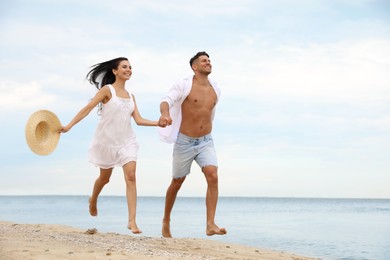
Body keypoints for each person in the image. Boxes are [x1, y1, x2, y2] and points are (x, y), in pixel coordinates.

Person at [59, 57, 160, 234]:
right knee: (105, 179)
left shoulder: (131, 97)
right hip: (106, 142)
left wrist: (158, 123)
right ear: (115, 71)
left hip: (126, 142)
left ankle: (132, 221)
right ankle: (93, 199)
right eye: (124, 67)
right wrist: (68, 126)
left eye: (130, 67)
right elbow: (87, 108)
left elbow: (138, 120)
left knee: (131, 176)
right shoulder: (108, 91)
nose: (128, 69)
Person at [158, 51, 227, 237]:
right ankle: (166, 220)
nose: (208, 62)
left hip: (206, 140)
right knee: (177, 181)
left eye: (209, 60)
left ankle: (210, 224)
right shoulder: (183, 84)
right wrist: (165, 114)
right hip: (184, 141)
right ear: (194, 67)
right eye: (204, 61)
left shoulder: (216, 89)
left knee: (213, 175)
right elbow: (166, 100)